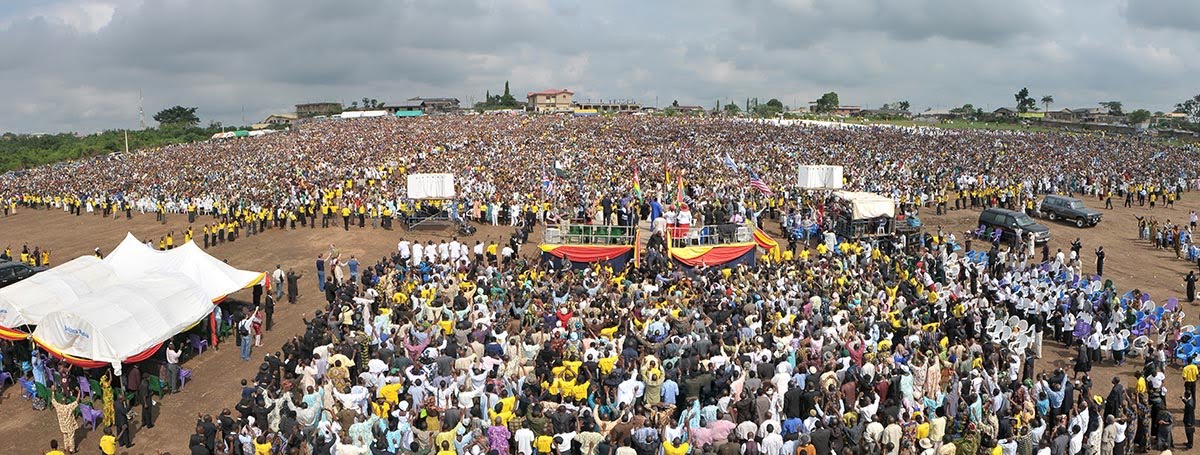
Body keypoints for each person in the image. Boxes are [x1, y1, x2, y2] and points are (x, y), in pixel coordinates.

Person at [50, 387, 81, 454]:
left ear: (61, 402)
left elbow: (53, 400)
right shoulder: (69, 407)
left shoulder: (58, 407)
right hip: (70, 425)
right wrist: (79, 392)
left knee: (65, 436)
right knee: (71, 438)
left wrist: (53, 391)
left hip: (63, 425)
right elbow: (77, 401)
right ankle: (71, 450)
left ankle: (66, 447)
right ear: (66, 401)